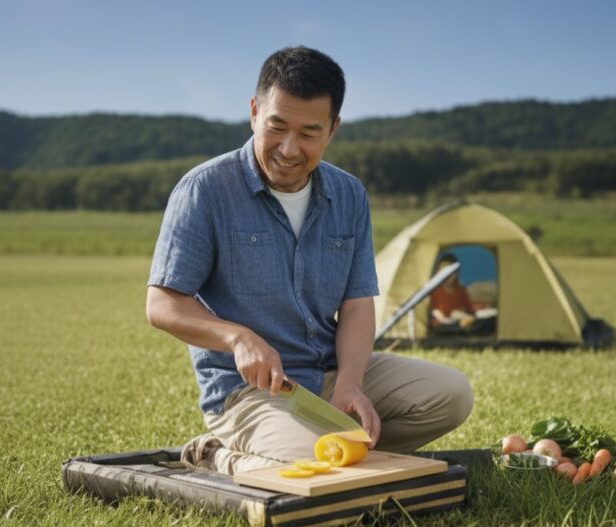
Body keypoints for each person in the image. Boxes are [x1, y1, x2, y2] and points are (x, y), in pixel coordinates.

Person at [146, 46, 473, 475]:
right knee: (318, 459)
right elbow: (162, 305)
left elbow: (357, 304)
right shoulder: (204, 190)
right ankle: (217, 451)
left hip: (329, 375)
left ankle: (334, 442)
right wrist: (237, 338)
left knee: (452, 394)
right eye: (277, 126)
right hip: (248, 392)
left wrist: (352, 385)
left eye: (308, 133)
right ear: (253, 112)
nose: (288, 148)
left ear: (333, 129)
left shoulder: (350, 194)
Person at [429, 254, 477, 330]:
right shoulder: (434, 291)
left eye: (450, 272)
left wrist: (465, 313)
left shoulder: (460, 290)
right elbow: (431, 311)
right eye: (443, 272)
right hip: (440, 328)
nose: (447, 276)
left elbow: (470, 310)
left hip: (458, 325)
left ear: (457, 273)